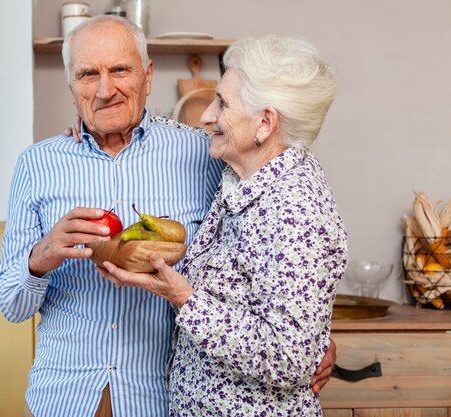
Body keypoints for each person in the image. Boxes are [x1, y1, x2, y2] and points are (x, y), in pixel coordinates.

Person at [0, 15, 335, 417]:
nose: (106, 90)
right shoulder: (37, 165)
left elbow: (285, 251)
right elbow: (10, 305)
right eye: (88, 74)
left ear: (148, 74)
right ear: (71, 86)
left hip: (160, 397)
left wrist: (316, 336)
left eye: (120, 69)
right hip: (64, 395)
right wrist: (40, 257)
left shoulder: (204, 155)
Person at [96, 35, 348, 416]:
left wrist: (183, 297)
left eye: (223, 103)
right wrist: (99, 124)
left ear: (265, 121)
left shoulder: (296, 209)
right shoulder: (244, 170)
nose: (206, 115)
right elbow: (188, 134)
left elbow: (286, 359)